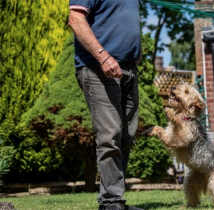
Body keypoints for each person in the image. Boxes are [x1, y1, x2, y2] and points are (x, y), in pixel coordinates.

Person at [68, 1, 143, 210]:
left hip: (128, 69)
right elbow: (75, 18)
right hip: (99, 68)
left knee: (126, 138)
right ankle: (110, 202)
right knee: (110, 136)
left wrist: (138, 50)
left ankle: (116, 201)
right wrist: (103, 57)